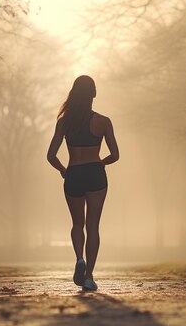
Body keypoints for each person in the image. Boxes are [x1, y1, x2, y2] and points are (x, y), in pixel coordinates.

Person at [47, 75, 119, 291]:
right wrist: (101, 163)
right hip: (95, 174)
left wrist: (63, 171)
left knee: (77, 224)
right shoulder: (103, 122)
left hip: (74, 174)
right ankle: (89, 276)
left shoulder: (64, 122)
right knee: (93, 225)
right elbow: (115, 155)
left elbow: (51, 155)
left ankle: (79, 258)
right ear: (94, 94)